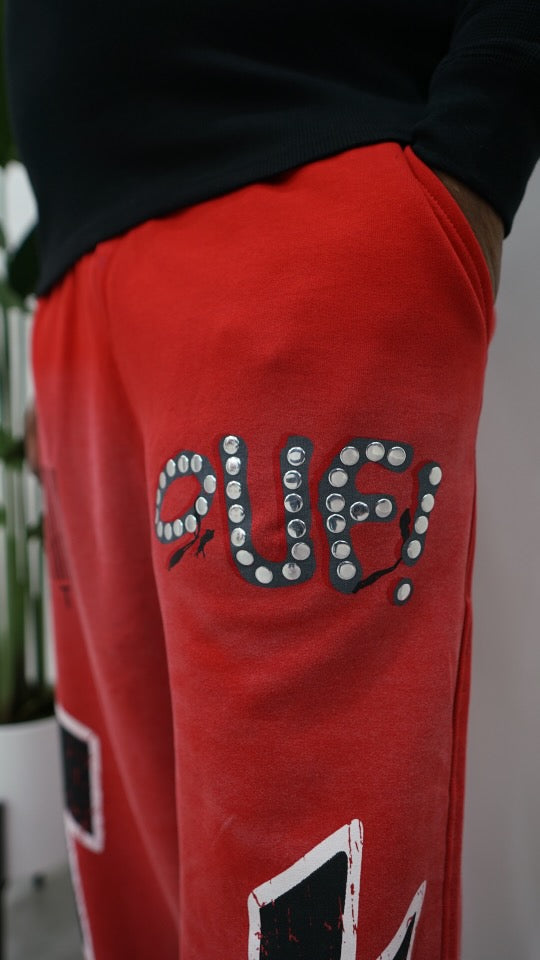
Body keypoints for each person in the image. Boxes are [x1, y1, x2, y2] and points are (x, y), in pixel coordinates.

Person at [6, 2, 539, 958]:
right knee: (131, 882)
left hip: (294, 240)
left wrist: (480, 152)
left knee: (302, 905)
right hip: (80, 281)